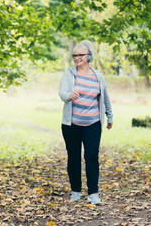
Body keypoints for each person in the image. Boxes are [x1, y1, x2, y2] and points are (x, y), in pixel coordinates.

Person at [59, 40, 113, 205]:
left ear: (89, 56)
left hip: (93, 123)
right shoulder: (69, 73)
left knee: (91, 156)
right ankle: (75, 190)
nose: (77, 58)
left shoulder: (98, 76)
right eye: (74, 55)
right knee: (73, 157)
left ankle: (93, 193)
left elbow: (105, 98)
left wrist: (110, 116)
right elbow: (62, 92)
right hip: (71, 125)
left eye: (80, 55)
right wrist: (69, 95)